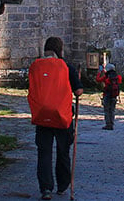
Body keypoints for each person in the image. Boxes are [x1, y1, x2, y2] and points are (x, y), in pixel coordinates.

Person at [32, 37, 83, 200]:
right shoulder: (67, 67)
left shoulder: (36, 66)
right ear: (60, 50)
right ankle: (62, 186)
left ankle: (46, 188)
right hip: (62, 116)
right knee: (63, 152)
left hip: (42, 116)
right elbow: (78, 91)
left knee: (44, 153)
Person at [96, 63, 122, 130]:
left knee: (107, 110)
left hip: (107, 94)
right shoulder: (117, 76)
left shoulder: (106, 76)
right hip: (114, 95)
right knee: (112, 110)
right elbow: (120, 82)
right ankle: (112, 123)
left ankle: (108, 125)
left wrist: (100, 72)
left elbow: (98, 80)